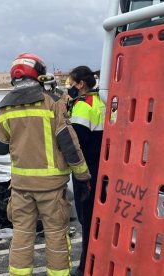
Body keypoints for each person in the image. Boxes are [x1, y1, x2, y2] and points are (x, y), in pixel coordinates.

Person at [0, 53, 91, 276]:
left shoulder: (4, 107)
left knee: (22, 235)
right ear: (38, 75)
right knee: (56, 234)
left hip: (20, 187)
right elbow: (69, 144)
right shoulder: (52, 102)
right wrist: (83, 176)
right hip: (51, 187)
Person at [68, 66, 105, 276]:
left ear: (81, 84)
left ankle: (86, 267)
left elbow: (76, 143)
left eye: (71, 83)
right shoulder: (102, 101)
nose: (69, 87)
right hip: (104, 167)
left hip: (87, 171)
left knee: (87, 220)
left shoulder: (83, 105)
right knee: (100, 219)